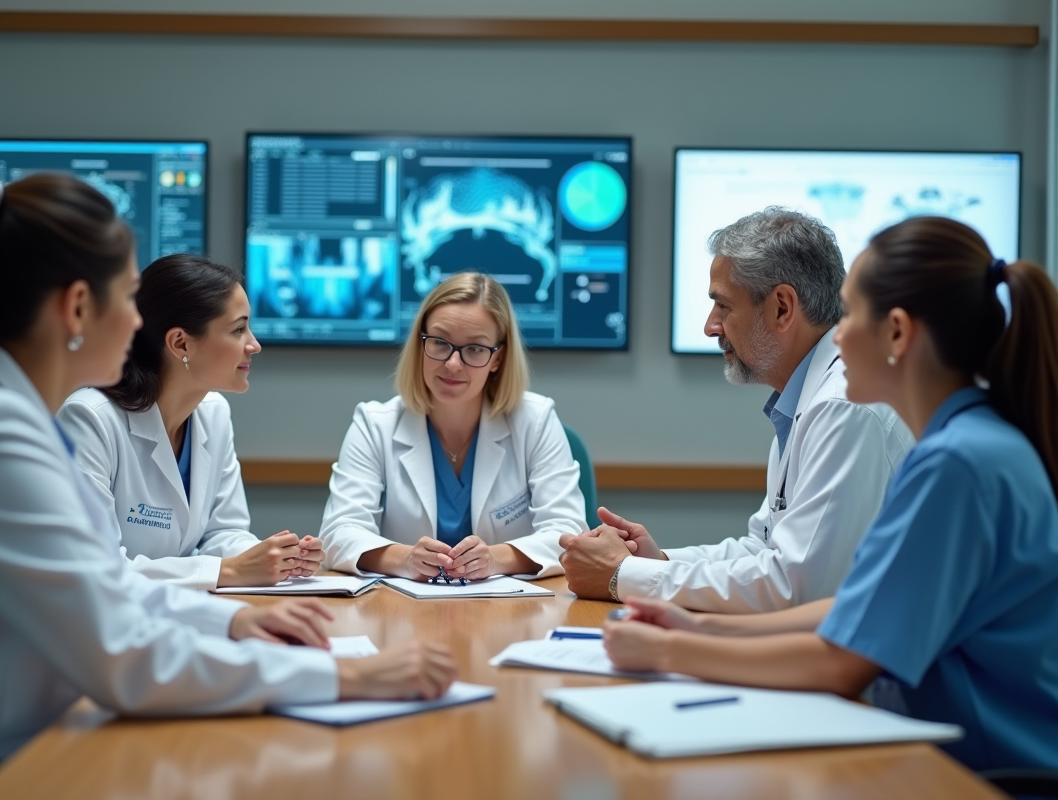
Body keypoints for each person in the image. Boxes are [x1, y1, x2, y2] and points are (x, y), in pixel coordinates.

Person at [0, 173, 457, 788]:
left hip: (26, 748)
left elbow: (104, 585)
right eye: (128, 298)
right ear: (77, 308)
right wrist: (345, 677)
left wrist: (233, 622)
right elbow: (119, 652)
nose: (136, 322)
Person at [602, 217, 1058, 772]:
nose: (837, 336)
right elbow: (857, 607)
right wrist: (700, 626)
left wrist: (671, 650)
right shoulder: (964, 444)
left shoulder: (955, 462)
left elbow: (845, 661)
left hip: (990, 775)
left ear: (896, 333)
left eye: (850, 314)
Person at [561, 207, 913, 611]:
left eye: (723, 306)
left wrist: (622, 575)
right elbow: (762, 550)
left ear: (782, 308)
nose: (710, 326)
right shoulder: (808, 399)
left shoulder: (843, 406)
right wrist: (654, 563)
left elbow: (797, 587)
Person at [58, 254, 321, 591]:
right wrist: (229, 571)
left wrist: (276, 558)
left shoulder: (214, 413)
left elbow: (223, 532)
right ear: (180, 343)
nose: (254, 345)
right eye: (238, 329)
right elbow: (96, 567)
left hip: (180, 610)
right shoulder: (91, 419)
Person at [320, 272, 585, 581]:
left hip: (510, 607)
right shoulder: (374, 424)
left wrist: (495, 559)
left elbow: (569, 533)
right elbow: (338, 533)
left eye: (475, 349)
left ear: (497, 359)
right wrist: (405, 559)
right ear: (420, 344)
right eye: (439, 342)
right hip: (401, 607)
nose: (453, 364)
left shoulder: (535, 421)